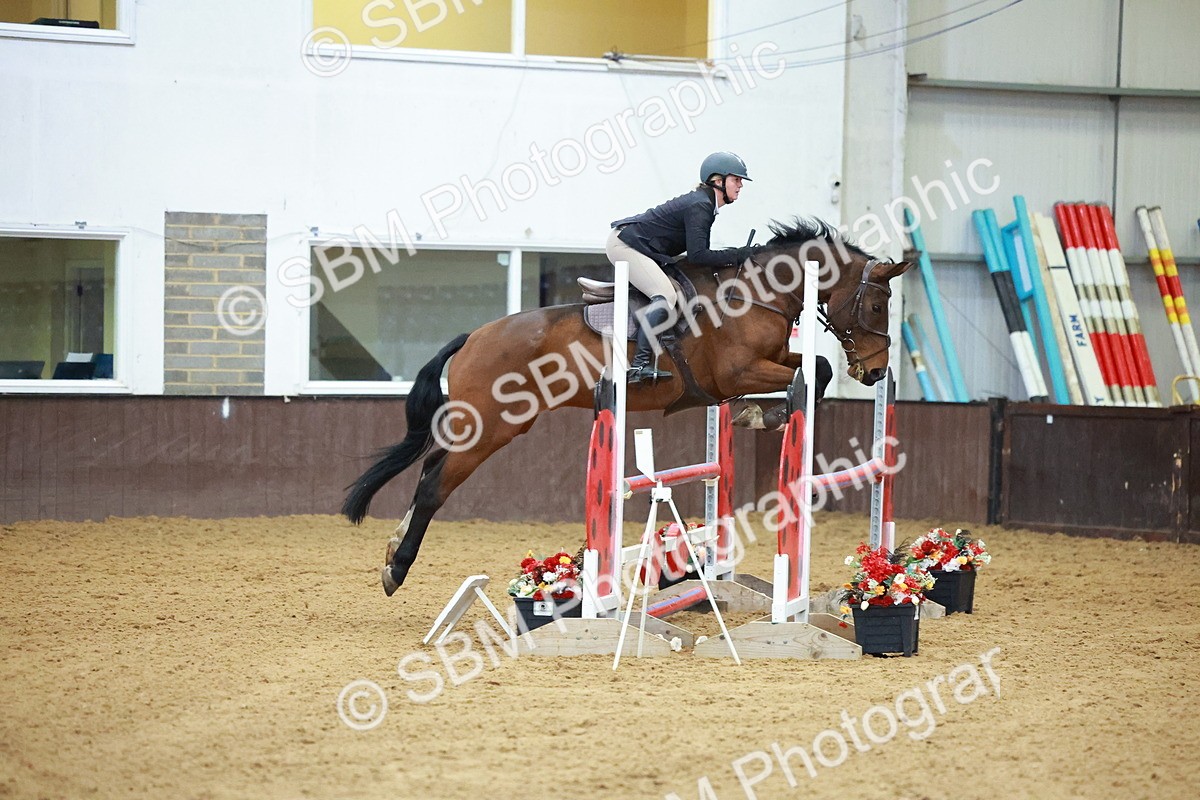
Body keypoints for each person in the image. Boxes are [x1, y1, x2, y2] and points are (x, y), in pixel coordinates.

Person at [607, 151, 759, 385]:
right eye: (736, 180)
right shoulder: (701, 205)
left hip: (643, 247)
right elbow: (698, 255)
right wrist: (737, 255)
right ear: (717, 181)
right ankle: (638, 364)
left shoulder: (704, 203)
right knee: (665, 295)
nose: (740, 185)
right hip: (625, 245)